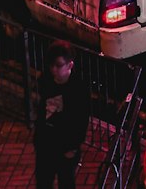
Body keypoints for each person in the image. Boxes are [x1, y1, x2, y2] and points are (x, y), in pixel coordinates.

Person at [33, 41, 90, 189]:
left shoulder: (78, 88)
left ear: (70, 65)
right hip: (46, 142)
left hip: (65, 145)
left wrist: (72, 147)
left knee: (66, 182)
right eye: (52, 65)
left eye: (58, 66)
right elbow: (42, 109)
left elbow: (81, 120)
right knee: (43, 181)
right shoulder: (46, 80)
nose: (54, 69)